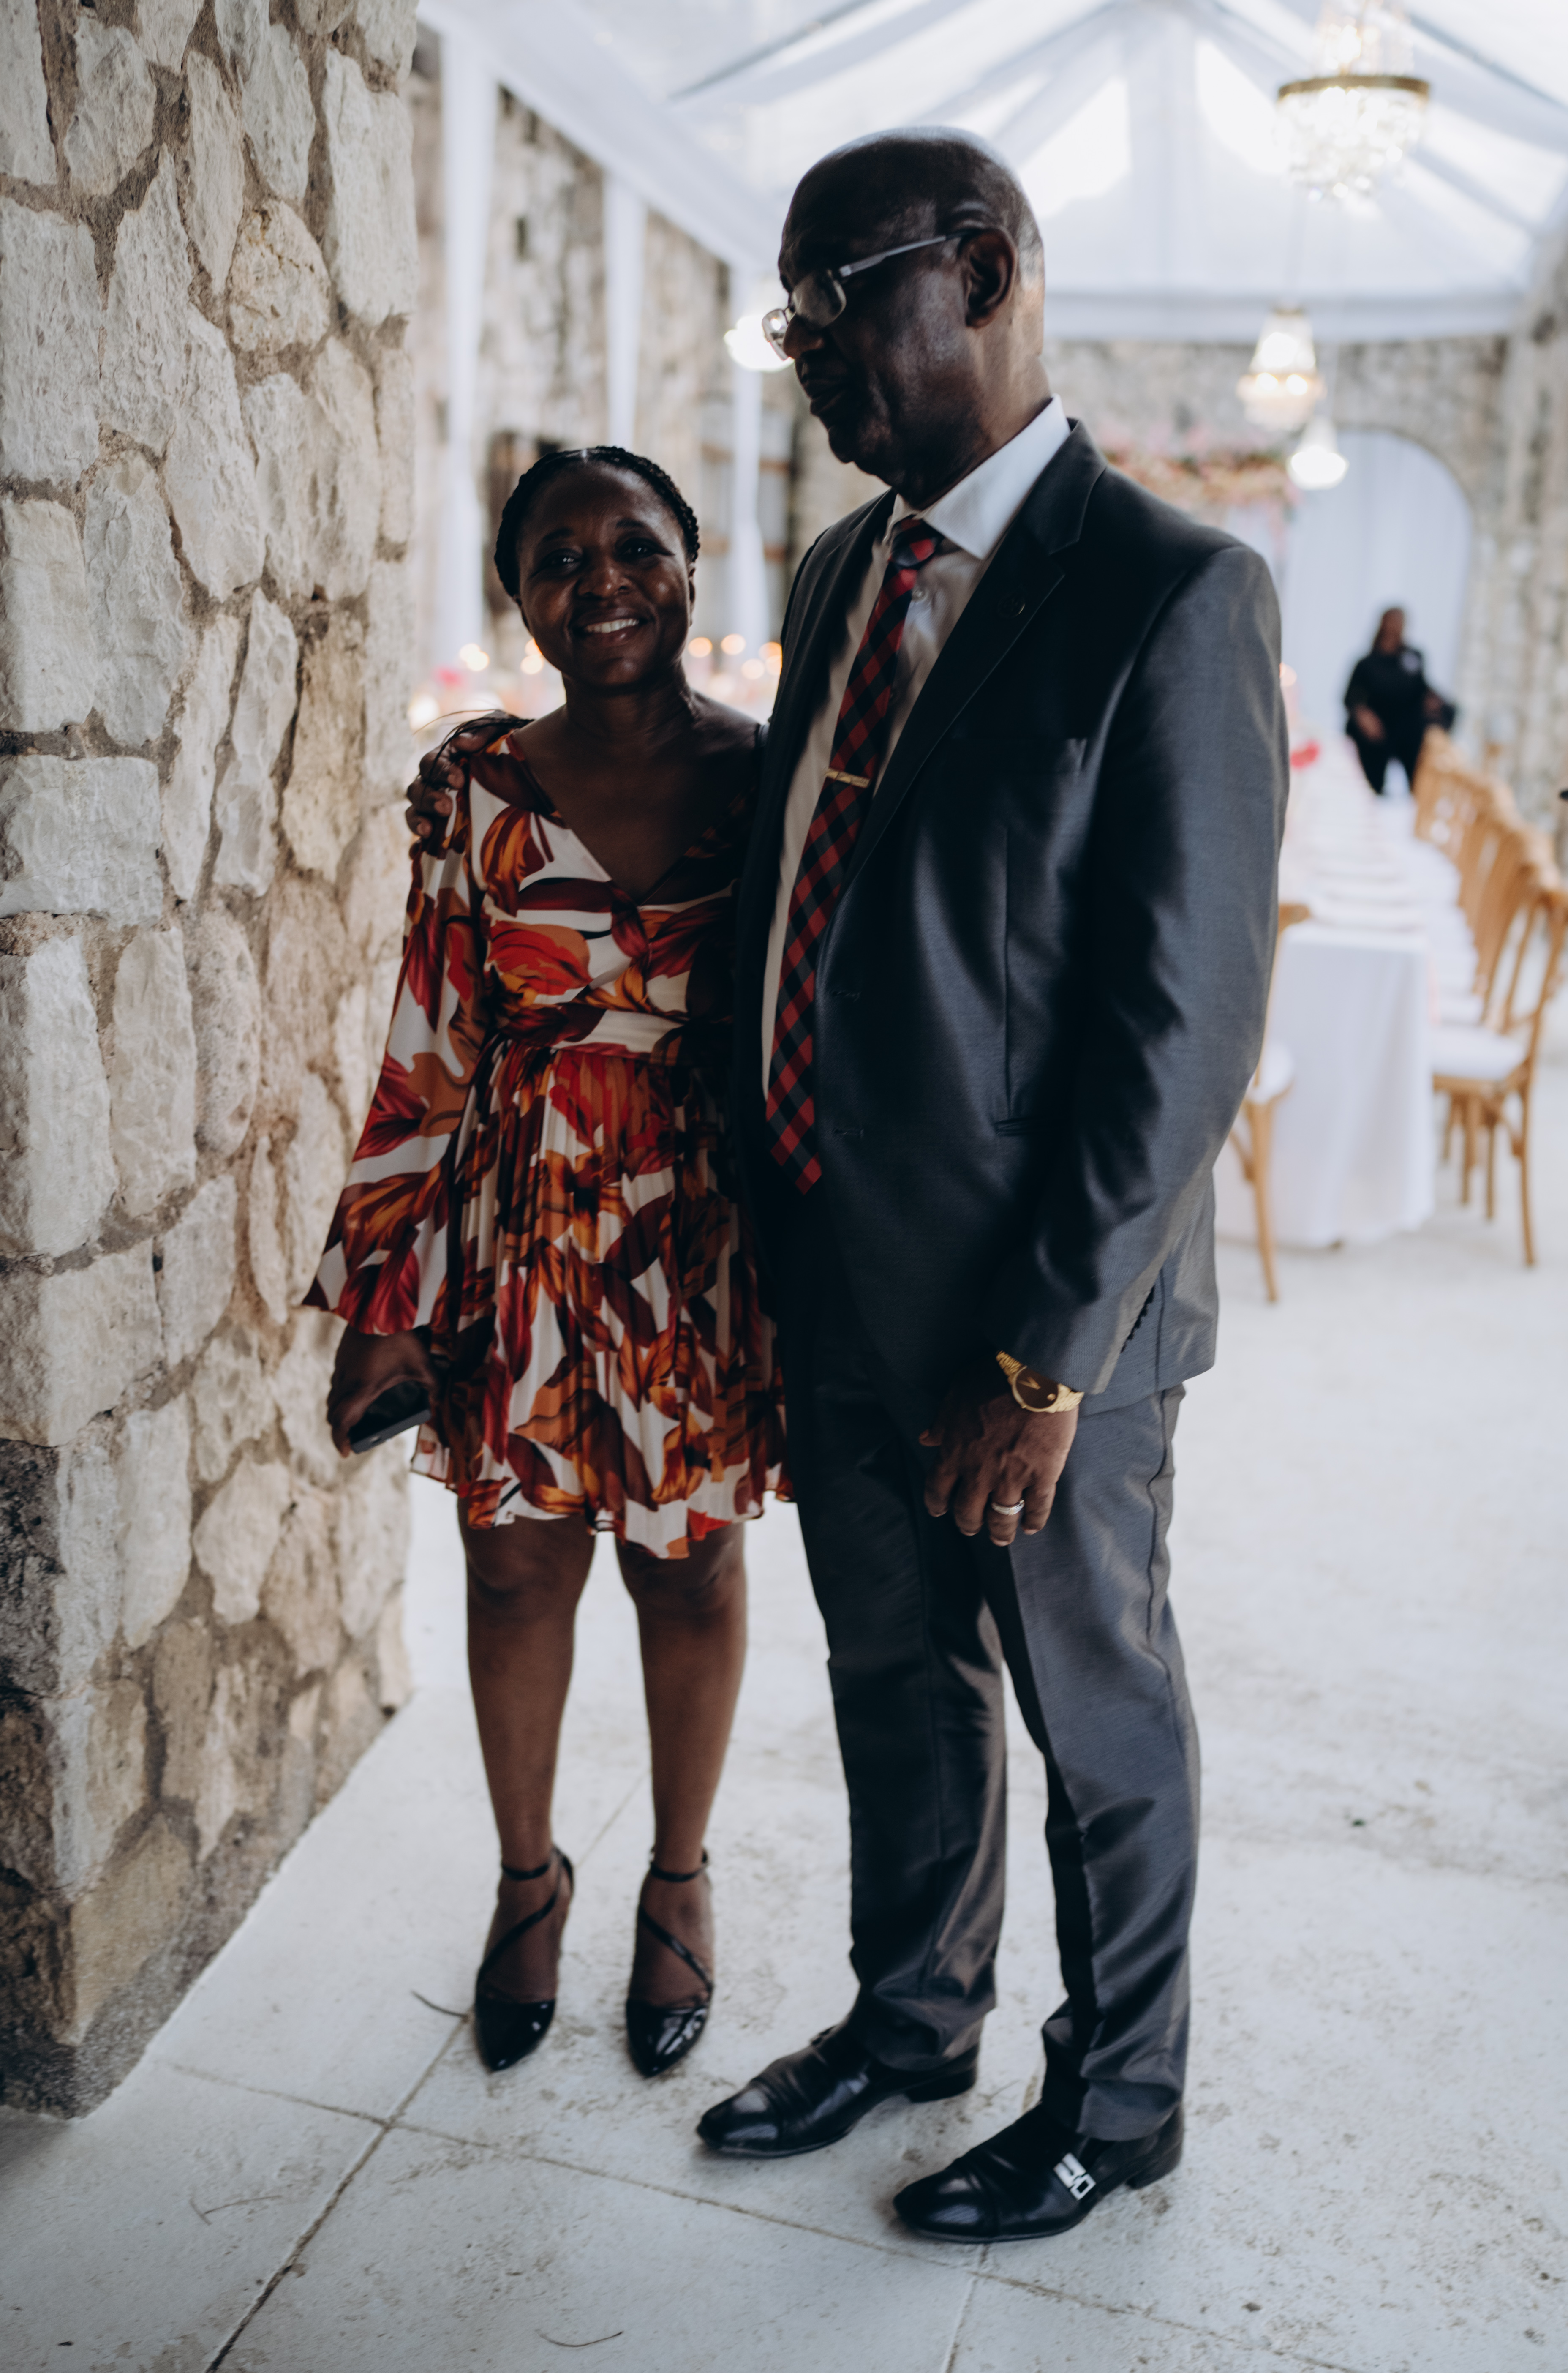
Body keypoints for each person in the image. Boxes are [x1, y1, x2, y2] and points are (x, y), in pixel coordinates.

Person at [689, 130, 1288, 2243]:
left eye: (833, 299)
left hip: (1046, 1326)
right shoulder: (843, 572)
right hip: (838, 1270)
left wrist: (1044, 1358)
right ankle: (912, 2016)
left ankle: (1118, 2104)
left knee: (1091, 1709)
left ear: (983, 267)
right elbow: (807, 890)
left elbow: (1179, 1026)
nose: (804, 350)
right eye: (787, 314)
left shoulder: (1170, 590)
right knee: (890, 1675)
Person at [309, 446, 784, 2084]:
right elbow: (427, 1050)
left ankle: (678, 1876)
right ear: (519, 595)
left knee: (686, 1568)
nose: (603, 584)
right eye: (560, 559)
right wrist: (380, 1297)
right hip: (518, 1229)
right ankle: (528, 1881)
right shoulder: (479, 787)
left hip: (703, 1239)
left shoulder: (773, 780)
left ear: (691, 564)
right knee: (511, 1567)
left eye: (634, 546)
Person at [1345, 606, 1455, 793]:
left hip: (1406, 726)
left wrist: (1433, 700)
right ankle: (1372, 790)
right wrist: (1363, 715)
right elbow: (1351, 698)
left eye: (1401, 622)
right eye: (1392, 621)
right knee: (1371, 775)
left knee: (1427, 734)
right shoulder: (1367, 664)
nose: (1396, 626)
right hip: (1377, 728)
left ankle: (1423, 792)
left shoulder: (1413, 658)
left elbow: (1422, 688)